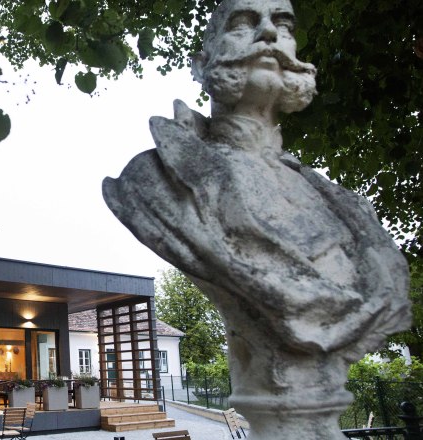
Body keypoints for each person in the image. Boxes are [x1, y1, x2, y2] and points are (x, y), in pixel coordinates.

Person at [103, 0, 410, 438]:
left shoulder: (346, 206)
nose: (268, 34)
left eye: (283, 25)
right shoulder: (153, 182)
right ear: (202, 63)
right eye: (243, 23)